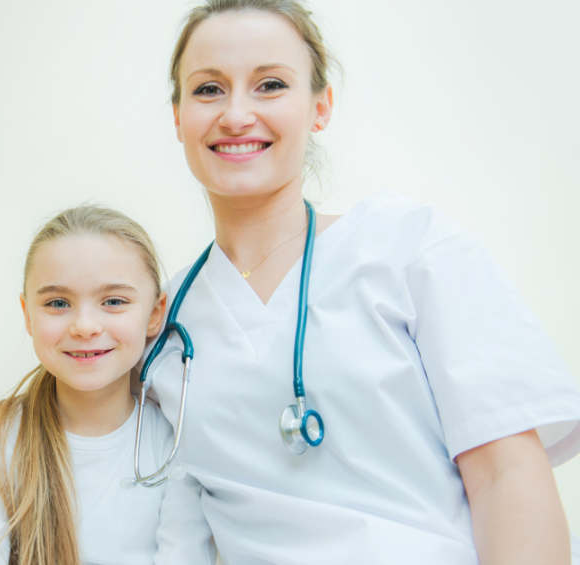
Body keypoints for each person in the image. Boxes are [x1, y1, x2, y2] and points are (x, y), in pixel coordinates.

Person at [141, 1, 580, 563]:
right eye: (208, 89)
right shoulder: (162, 318)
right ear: (177, 117)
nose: (236, 114)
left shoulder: (412, 249)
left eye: (270, 85)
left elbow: (507, 475)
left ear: (320, 107)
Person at [0, 206, 216, 565]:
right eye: (58, 303)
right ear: (28, 315)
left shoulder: (176, 442)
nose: (85, 326)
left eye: (114, 301)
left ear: (155, 313)